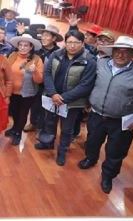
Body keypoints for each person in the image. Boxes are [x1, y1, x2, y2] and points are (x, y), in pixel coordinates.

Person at [78, 36, 133, 194]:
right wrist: (86, 103)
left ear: (132, 54)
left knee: (116, 151)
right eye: (117, 51)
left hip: (123, 122)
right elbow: (88, 84)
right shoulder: (100, 64)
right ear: (112, 52)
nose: (121, 55)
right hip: (96, 115)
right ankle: (90, 159)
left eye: (126, 52)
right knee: (92, 141)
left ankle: (107, 176)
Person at [37, 30, 97, 167]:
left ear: (82, 43)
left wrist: (63, 98)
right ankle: (48, 143)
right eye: (69, 42)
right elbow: (47, 74)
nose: (72, 46)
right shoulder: (56, 54)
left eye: (76, 42)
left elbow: (86, 86)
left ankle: (62, 152)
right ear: (65, 42)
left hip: (72, 103)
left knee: (67, 129)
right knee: (50, 123)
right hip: (52, 97)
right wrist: (53, 94)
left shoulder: (89, 61)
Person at [22, 25, 63, 133]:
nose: (43, 38)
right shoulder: (37, 50)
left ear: (54, 39)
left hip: (51, 84)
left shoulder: (59, 53)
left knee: (48, 107)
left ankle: (45, 128)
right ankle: (33, 123)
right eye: (43, 35)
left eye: (47, 36)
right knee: (35, 104)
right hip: (37, 81)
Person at [5, 34, 44, 146]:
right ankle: (14, 128)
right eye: (20, 45)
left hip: (27, 93)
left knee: (22, 113)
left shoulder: (36, 60)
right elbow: (6, 71)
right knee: (14, 112)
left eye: (26, 45)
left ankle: (18, 133)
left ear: (31, 47)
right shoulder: (12, 55)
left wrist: (35, 71)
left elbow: (39, 80)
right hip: (12, 91)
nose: (22, 47)